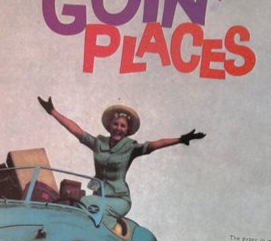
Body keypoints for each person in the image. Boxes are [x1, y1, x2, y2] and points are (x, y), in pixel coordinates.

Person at [38, 96, 205, 229]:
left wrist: (181, 139)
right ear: (110, 126)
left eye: (122, 126)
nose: (118, 128)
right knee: (79, 205)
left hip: (118, 199)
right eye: (115, 124)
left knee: (86, 204)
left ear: (127, 130)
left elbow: (156, 144)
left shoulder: (130, 147)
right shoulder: (99, 143)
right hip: (99, 197)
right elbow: (77, 131)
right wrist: (52, 111)